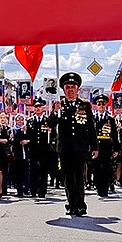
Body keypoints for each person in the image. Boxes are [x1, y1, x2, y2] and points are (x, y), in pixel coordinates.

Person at [51, 72, 96, 216]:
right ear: (63, 90)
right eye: (67, 87)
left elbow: (91, 127)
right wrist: (54, 112)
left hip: (80, 147)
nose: (70, 89)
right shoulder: (59, 104)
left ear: (78, 89)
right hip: (64, 148)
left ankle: (81, 205)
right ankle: (71, 203)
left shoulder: (84, 105)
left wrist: (94, 146)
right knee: (68, 178)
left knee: (78, 176)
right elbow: (50, 124)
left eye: (73, 87)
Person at [91, 94, 117, 198]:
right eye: (99, 104)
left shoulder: (110, 119)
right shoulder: (92, 118)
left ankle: (105, 189)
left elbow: (114, 134)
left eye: (103, 104)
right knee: (96, 168)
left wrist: (116, 148)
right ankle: (98, 186)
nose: (101, 106)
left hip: (106, 146)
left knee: (106, 168)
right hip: (96, 146)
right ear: (96, 106)